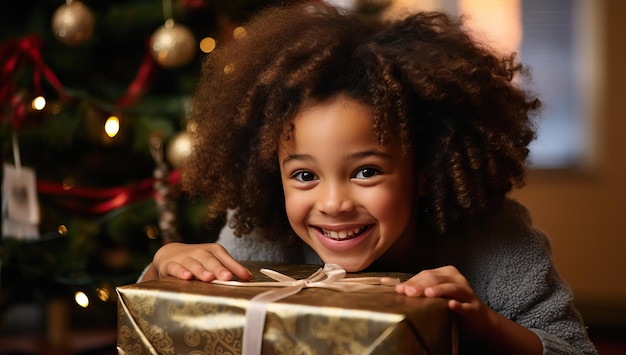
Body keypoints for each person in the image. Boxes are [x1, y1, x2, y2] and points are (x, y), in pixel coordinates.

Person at [139, 2, 598, 354]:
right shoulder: (262, 237)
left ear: (424, 171)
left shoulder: (495, 240)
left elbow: (573, 348)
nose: (334, 203)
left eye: (366, 171)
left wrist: (483, 324)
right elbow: (162, 328)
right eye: (303, 175)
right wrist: (164, 273)